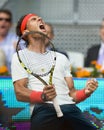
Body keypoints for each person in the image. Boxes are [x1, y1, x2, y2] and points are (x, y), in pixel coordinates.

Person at [11, 13, 98, 130]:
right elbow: (19, 92)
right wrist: (43, 96)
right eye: (34, 19)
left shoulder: (62, 58)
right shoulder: (20, 56)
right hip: (43, 108)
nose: (40, 19)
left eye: (40, 18)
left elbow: (72, 95)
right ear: (26, 32)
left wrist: (86, 92)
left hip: (70, 108)